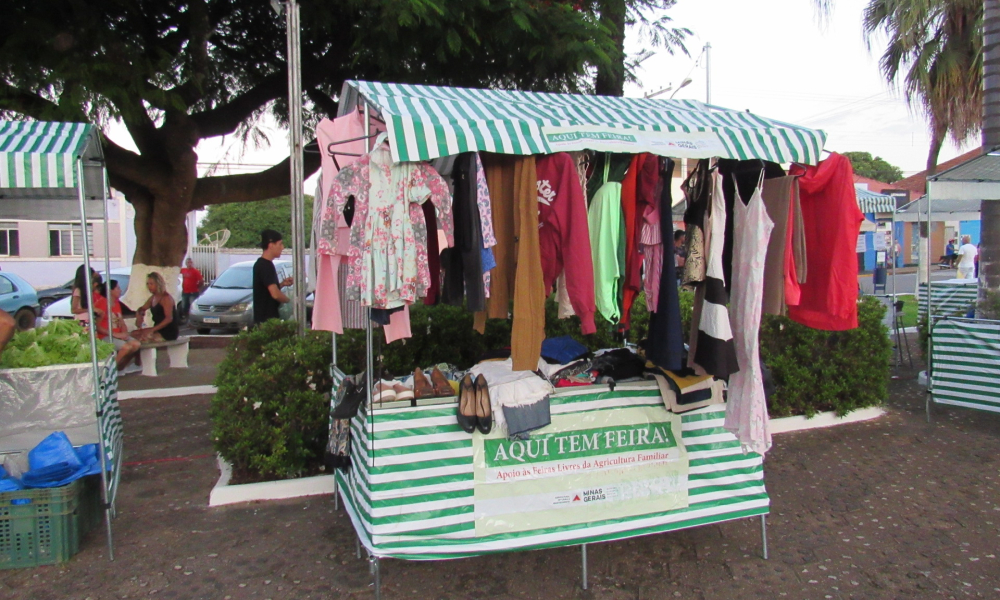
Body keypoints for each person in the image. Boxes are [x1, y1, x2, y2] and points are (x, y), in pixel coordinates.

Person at [94, 280, 141, 370]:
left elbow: (121, 320)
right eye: (118, 288)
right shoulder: (102, 303)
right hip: (105, 335)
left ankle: (121, 367)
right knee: (126, 347)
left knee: (136, 344)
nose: (120, 291)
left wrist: (124, 332)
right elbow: (98, 326)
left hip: (118, 334)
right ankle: (109, 370)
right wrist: (115, 334)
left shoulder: (117, 303)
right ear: (110, 291)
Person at [253, 229, 293, 326]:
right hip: (267, 321)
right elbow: (275, 294)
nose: (282, 247)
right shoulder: (265, 266)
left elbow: (266, 289)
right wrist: (291, 302)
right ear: (271, 245)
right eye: (280, 244)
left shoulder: (264, 264)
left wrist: (282, 284)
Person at [133, 272, 179, 342]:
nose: (149, 286)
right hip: (157, 329)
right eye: (147, 284)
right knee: (133, 334)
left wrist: (152, 329)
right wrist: (140, 315)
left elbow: (169, 318)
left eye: (151, 284)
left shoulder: (166, 298)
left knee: (142, 338)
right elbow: (142, 308)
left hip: (168, 332)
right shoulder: (153, 298)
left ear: (158, 284)